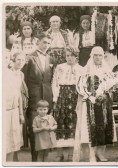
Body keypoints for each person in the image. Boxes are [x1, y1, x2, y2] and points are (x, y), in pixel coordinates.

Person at [74, 46, 114, 162]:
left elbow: (111, 86)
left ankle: (101, 153)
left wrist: (106, 95)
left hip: (104, 103)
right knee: (91, 128)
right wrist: (90, 96)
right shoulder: (85, 70)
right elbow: (80, 87)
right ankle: (92, 154)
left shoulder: (107, 70)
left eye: (100, 55)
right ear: (91, 56)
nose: (98, 57)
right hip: (90, 103)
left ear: (103, 56)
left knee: (104, 126)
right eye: (95, 55)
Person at [23, 33, 53, 161]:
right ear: (38, 43)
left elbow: (50, 78)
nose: (46, 45)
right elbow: (23, 79)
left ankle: (44, 159)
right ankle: (34, 159)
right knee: (35, 128)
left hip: (47, 97)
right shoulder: (29, 58)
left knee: (46, 128)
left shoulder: (50, 58)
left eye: (48, 43)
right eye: (44, 42)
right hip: (34, 98)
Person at [52, 47, 84, 161]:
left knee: (73, 124)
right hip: (62, 96)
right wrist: (55, 99)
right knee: (60, 123)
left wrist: (81, 100)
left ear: (76, 56)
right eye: (67, 55)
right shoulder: (60, 67)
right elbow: (55, 83)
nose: (69, 58)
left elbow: (83, 86)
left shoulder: (81, 69)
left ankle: (71, 153)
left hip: (75, 97)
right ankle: (59, 154)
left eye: (72, 55)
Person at [4, 53, 26, 161]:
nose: (20, 62)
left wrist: (21, 114)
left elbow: (19, 95)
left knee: (13, 140)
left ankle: (10, 163)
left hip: (15, 110)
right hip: (4, 111)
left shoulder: (19, 75)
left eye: (7, 58)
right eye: (18, 59)